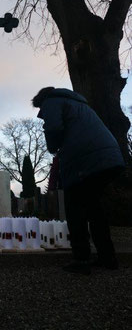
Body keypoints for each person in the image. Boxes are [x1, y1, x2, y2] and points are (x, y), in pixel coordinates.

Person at [32, 87, 125, 274]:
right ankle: (108, 257)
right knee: (95, 209)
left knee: (74, 208)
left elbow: (54, 128)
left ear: (42, 101)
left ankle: (81, 259)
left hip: (86, 160)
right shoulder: (78, 104)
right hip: (108, 157)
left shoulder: (52, 101)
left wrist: (52, 147)